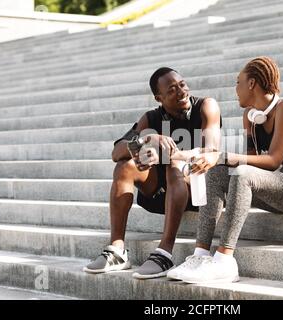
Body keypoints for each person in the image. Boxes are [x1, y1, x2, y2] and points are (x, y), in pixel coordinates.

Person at [168, 56, 283, 283]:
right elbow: (251, 160)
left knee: (238, 171)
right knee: (217, 170)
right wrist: (206, 158)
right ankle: (200, 254)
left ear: (251, 84)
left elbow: (272, 161)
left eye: (238, 82)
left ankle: (225, 261)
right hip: (280, 186)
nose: (236, 89)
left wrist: (221, 155)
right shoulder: (250, 117)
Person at [83, 67, 222, 279]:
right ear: (159, 98)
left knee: (173, 165)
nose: (181, 91)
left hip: (198, 190)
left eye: (182, 84)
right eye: (172, 90)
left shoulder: (206, 106)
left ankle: (165, 252)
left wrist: (171, 155)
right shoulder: (151, 118)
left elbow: (211, 151)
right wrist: (147, 139)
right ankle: (117, 250)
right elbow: (117, 151)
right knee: (124, 166)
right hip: (163, 193)